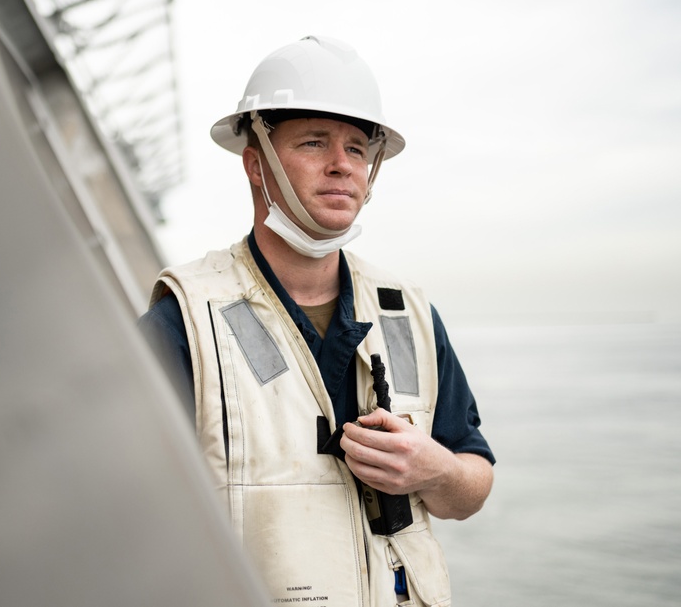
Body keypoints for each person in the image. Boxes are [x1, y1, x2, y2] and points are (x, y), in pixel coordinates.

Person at [138, 36, 495, 607]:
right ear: (257, 163)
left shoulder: (408, 313)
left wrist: (434, 471)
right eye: (314, 142)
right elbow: (122, 516)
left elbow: (470, 487)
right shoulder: (187, 321)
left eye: (357, 149)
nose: (341, 166)